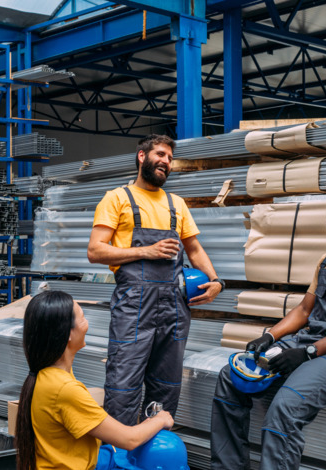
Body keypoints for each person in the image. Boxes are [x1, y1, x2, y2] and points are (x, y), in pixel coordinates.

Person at [210, 190, 326, 470]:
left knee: (286, 408)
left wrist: (307, 353)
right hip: (310, 343)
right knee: (230, 378)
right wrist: (270, 336)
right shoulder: (325, 261)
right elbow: (304, 311)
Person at [87, 134, 224, 425]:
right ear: (142, 156)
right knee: (124, 380)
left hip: (174, 306)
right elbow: (95, 251)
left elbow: (195, 249)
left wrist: (216, 281)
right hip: (134, 303)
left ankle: (155, 449)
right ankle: (119, 452)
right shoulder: (117, 198)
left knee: (167, 383)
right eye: (160, 154)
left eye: (170, 158)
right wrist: (146, 251)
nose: (166, 162)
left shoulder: (177, 204)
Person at [15, 290, 174, 470]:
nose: (87, 324)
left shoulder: (47, 373)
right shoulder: (64, 388)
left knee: (112, 454)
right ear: (66, 333)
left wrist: (146, 425)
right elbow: (129, 439)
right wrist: (160, 420)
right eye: (83, 318)